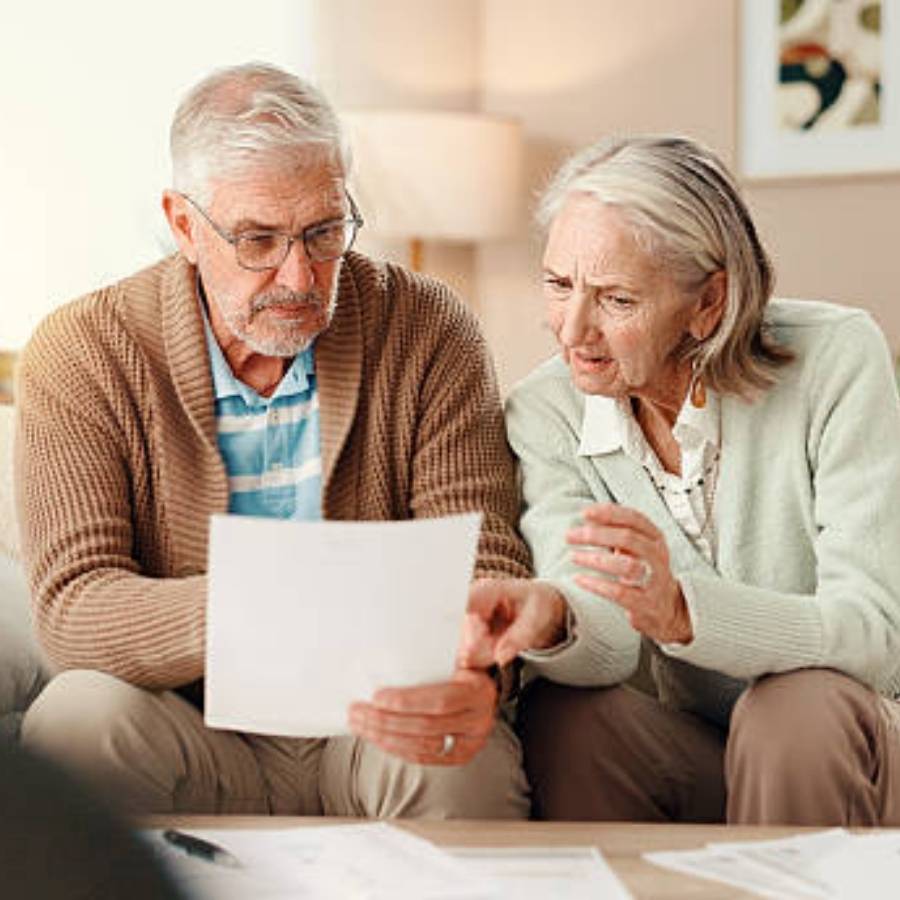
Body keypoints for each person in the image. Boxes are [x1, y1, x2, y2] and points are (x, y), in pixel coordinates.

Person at [16, 62, 530, 819]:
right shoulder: (82, 348)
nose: (300, 274)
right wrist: (283, 604)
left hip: (374, 714)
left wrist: (478, 669)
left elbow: (482, 559)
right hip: (185, 720)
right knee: (73, 724)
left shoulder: (427, 326)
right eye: (258, 239)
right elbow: (75, 608)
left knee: (462, 761)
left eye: (324, 231)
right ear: (184, 225)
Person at [461, 135, 900, 825]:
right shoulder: (544, 410)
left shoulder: (837, 359)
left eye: (617, 299)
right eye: (559, 284)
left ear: (707, 304)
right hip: (699, 753)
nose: (573, 329)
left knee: (789, 710)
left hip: (847, 736)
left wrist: (683, 611)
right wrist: (555, 613)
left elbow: (871, 634)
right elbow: (603, 637)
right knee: (570, 716)